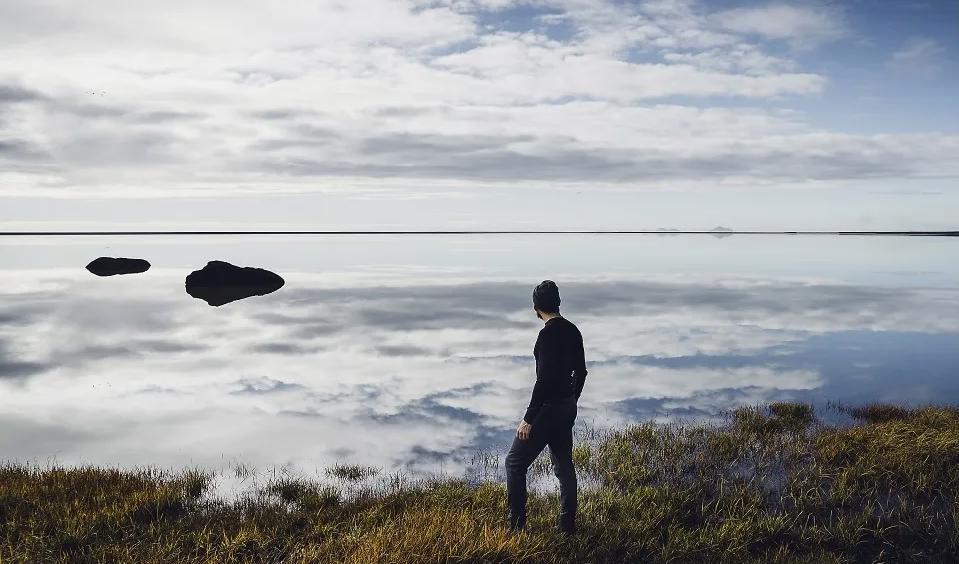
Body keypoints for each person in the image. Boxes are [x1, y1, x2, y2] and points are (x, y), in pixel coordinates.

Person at [505, 279, 588, 536]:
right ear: (559, 303)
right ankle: (567, 527)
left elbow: (543, 381)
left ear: (536, 308)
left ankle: (517, 527)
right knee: (564, 466)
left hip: (548, 410)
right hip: (566, 408)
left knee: (514, 463)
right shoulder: (573, 330)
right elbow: (581, 373)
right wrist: (572, 400)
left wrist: (528, 418)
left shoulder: (546, 335)